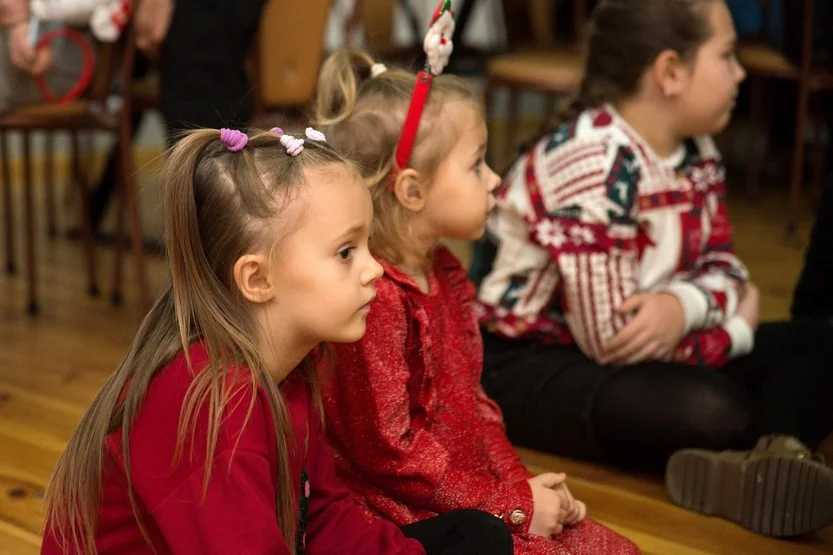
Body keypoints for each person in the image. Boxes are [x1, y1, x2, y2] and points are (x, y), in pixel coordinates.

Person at [40, 127, 514, 555]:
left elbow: (322, 518)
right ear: (257, 278)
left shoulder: (293, 371)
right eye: (346, 252)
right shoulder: (210, 403)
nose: (374, 270)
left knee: (477, 536)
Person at [472, 0, 833, 538]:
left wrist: (683, 306)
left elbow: (725, 267)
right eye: (727, 56)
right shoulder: (594, 162)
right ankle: (767, 448)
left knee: (823, 340)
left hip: (656, 336)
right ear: (669, 72)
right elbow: (613, 339)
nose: (741, 72)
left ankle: (762, 460)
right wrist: (736, 325)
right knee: (714, 411)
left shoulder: (697, 147)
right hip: (532, 362)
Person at [310, 13, 639, 553]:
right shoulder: (377, 300)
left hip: (474, 493)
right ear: (412, 191)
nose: (495, 179)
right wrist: (512, 506)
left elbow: (476, 404)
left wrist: (523, 488)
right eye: (477, 164)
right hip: (406, 510)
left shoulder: (444, 273)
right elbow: (390, 457)